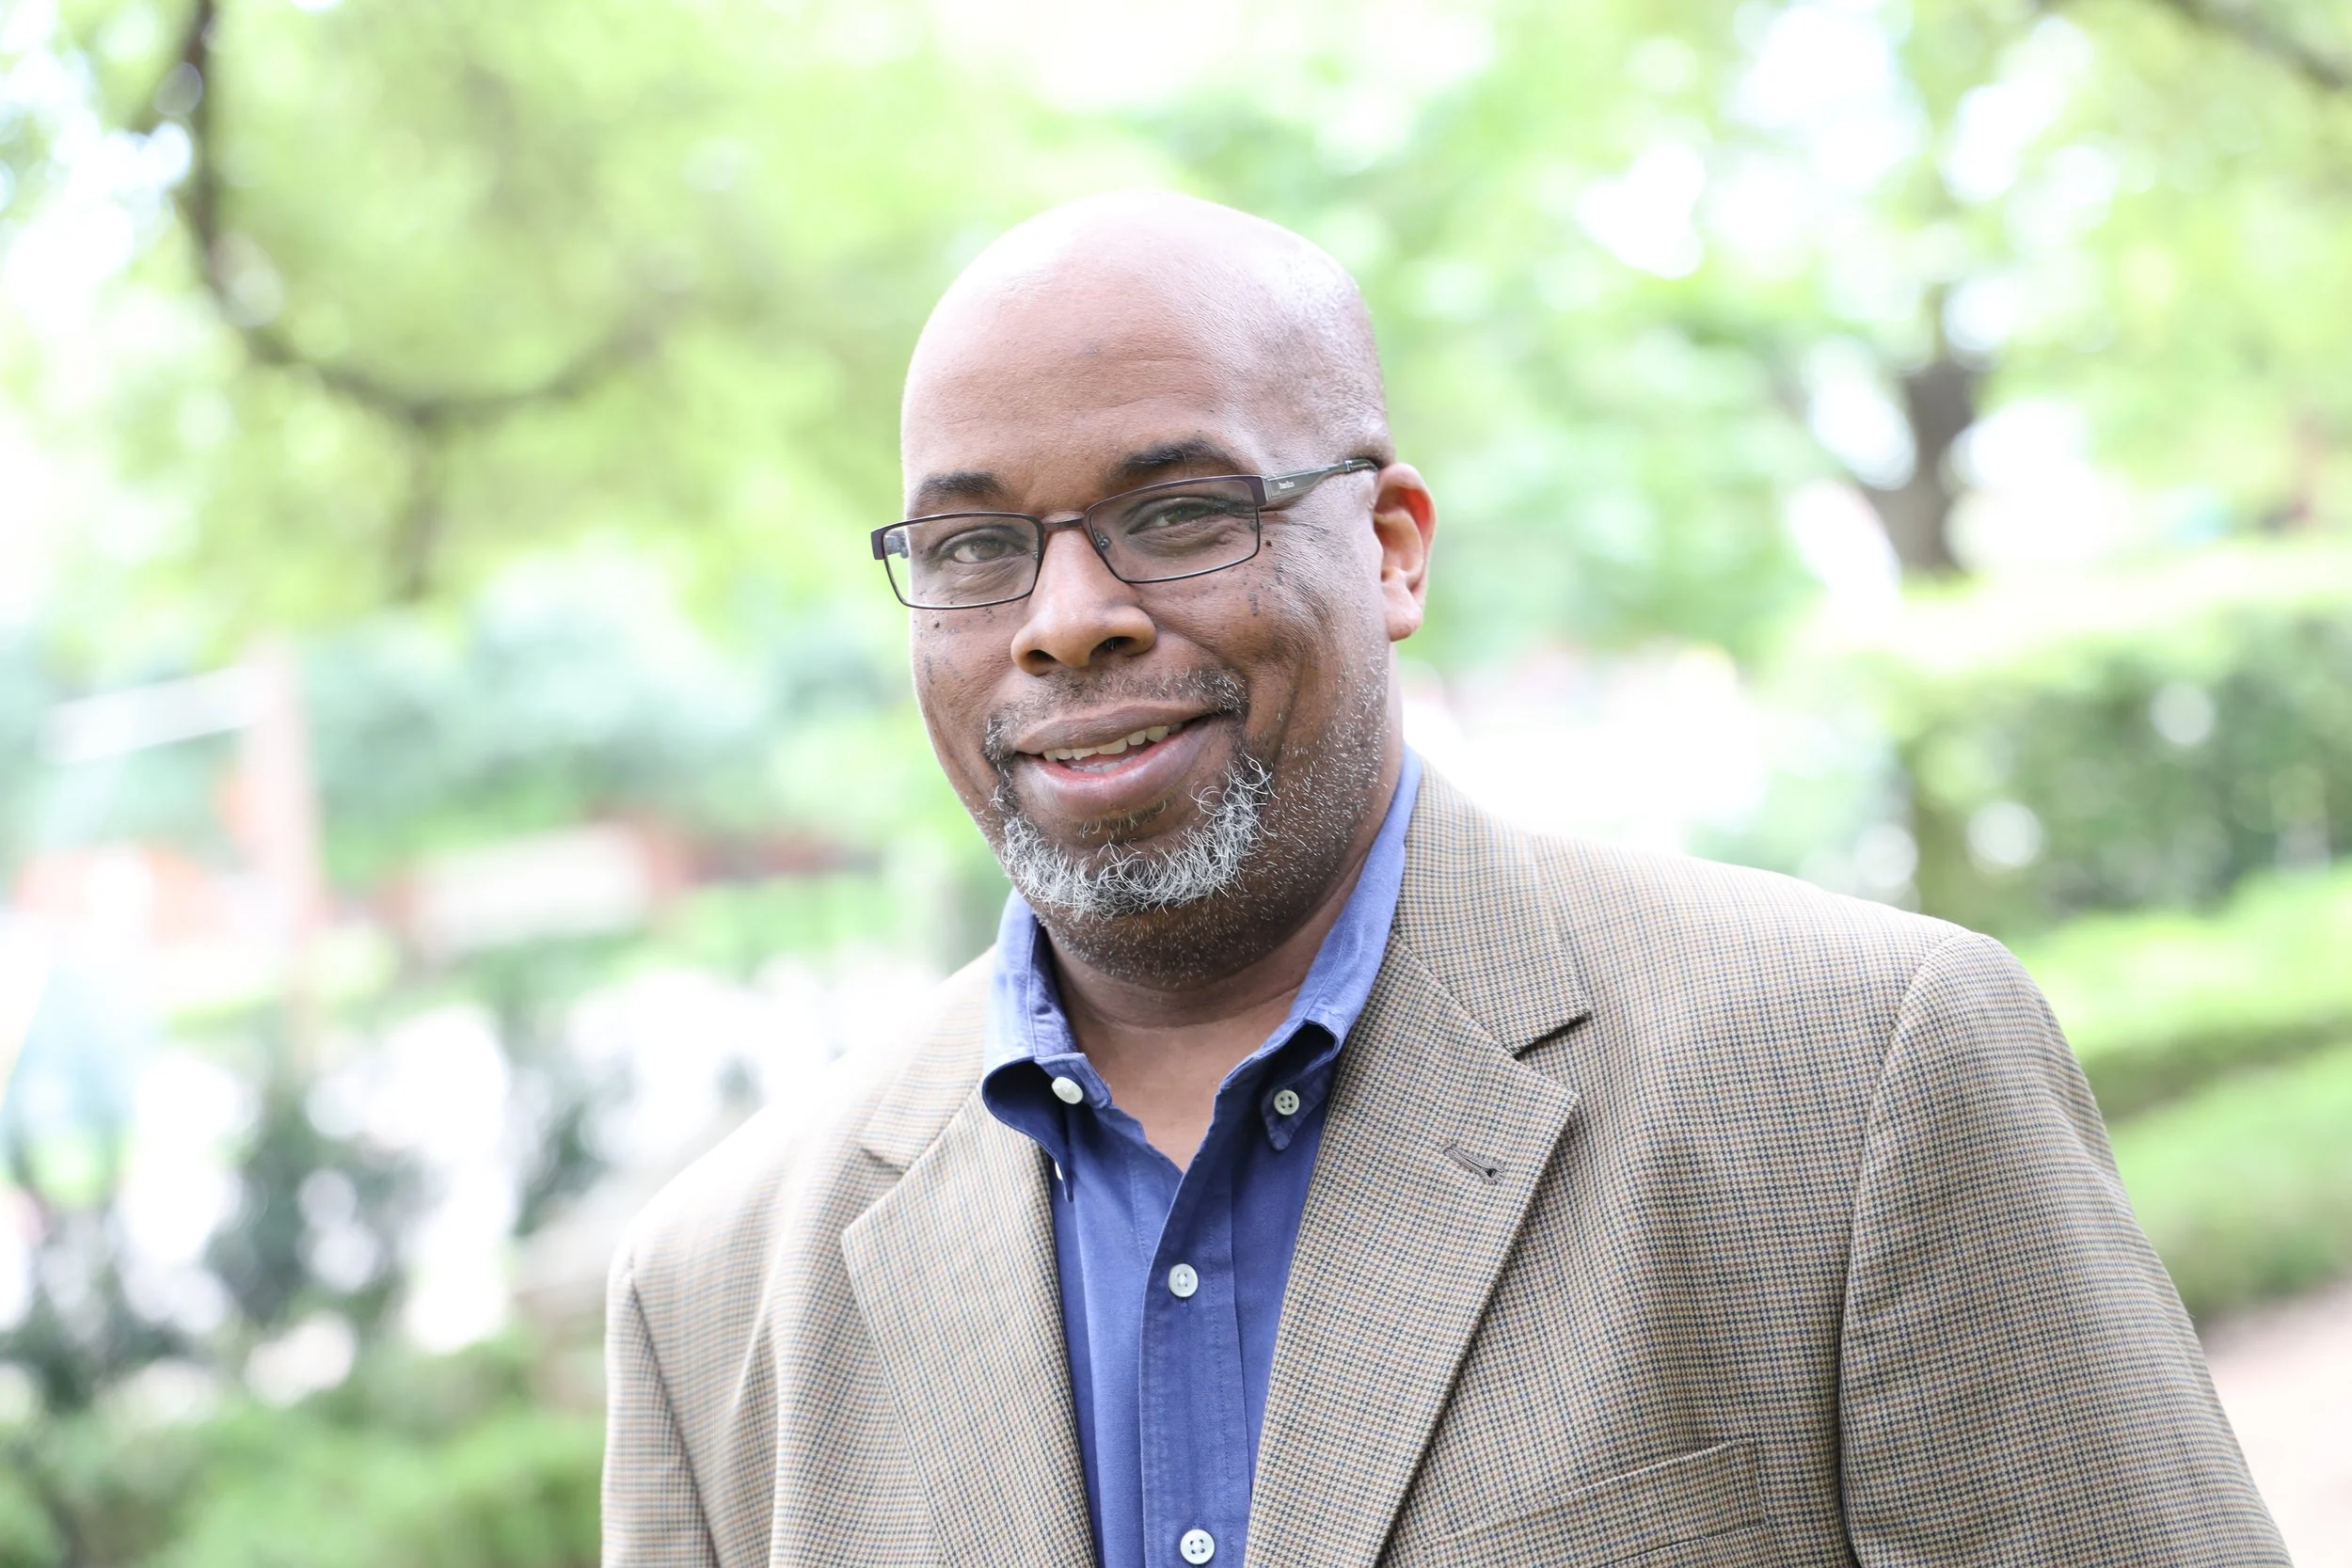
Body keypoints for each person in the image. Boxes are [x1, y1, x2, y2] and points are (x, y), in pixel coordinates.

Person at [602, 192, 2284, 1567]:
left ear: (1393, 546)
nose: (1065, 618)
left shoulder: (1860, 1078)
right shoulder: (714, 1295)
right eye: (974, 547)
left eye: (1178, 513)